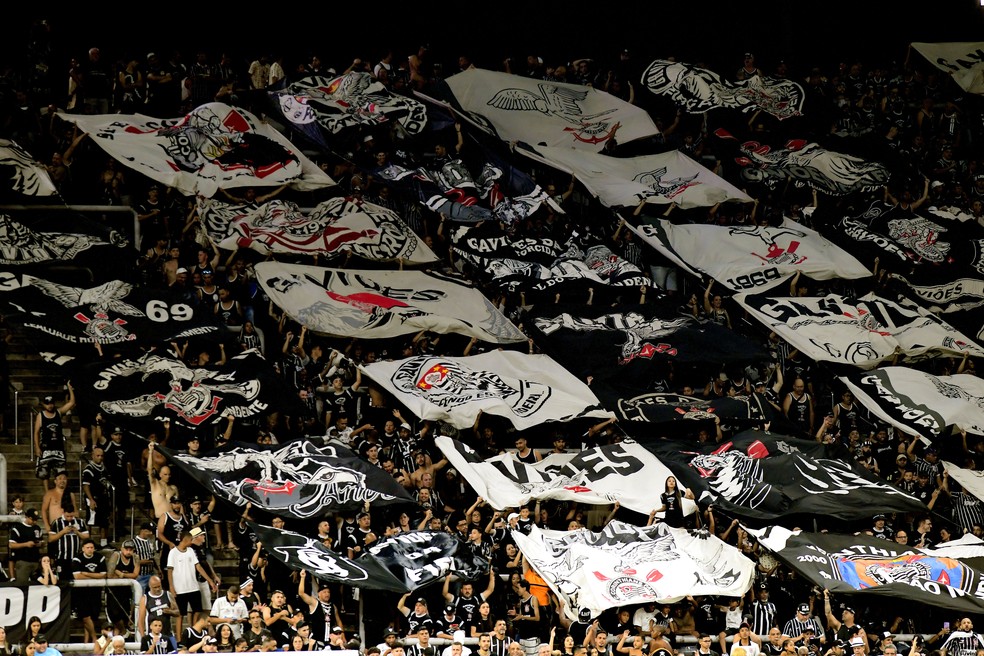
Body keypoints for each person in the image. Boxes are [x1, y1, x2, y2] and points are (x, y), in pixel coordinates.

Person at [167, 530, 218, 636]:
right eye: (190, 540)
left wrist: (210, 580)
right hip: (180, 589)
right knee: (180, 615)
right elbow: (169, 570)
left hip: (194, 587)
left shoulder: (190, 551)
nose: (191, 542)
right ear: (185, 540)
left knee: (198, 610)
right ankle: (179, 639)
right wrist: (171, 586)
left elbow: (198, 566)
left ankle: (194, 632)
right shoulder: (173, 552)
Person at [33, 386, 74, 489]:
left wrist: (70, 389)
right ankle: (47, 493)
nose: (50, 406)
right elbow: (36, 432)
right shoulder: (41, 416)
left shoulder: (58, 413)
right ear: (43, 404)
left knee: (61, 472)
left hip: (58, 448)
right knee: (44, 472)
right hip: (46, 447)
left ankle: (60, 493)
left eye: (51, 403)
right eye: (47, 403)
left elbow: (71, 403)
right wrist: (37, 447)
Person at [72, 538, 108, 645]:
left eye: (92, 547)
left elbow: (103, 575)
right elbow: (77, 576)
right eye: (87, 547)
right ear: (83, 548)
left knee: (91, 617)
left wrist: (86, 573)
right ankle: (94, 639)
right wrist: (95, 577)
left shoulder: (100, 557)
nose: (90, 549)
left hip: (95, 592)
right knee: (85, 617)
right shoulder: (77, 559)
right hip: (81, 593)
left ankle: (86, 642)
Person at [9, 508, 43, 585]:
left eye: (36, 519)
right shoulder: (17, 528)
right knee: (22, 584)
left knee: (37, 585)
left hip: (35, 561)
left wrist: (40, 544)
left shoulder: (37, 528)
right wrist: (26, 544)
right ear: (26, 517)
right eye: (32, 519)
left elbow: (41, 541)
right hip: (23, 561)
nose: (35, 521)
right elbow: (11, 545)